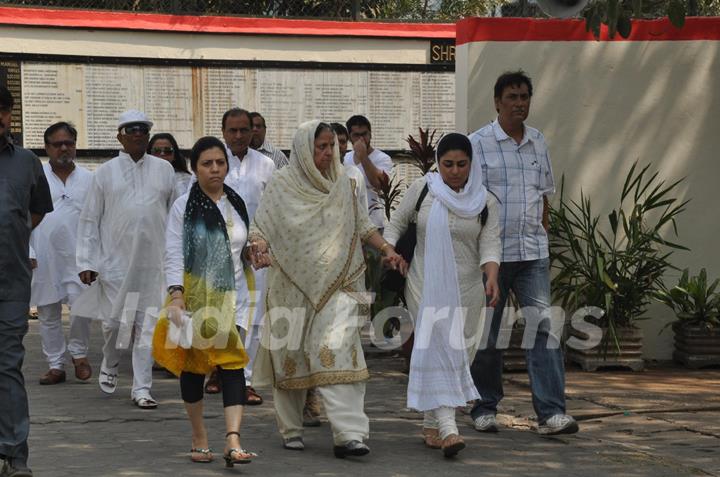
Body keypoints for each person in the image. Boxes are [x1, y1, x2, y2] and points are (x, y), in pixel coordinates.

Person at [248, 120, 406, 458]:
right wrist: (258, 245)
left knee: (335, 350)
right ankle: (291, 427)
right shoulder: (281, 184)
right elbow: (260, 226)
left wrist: (387, 250)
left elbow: (363, 224)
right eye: (320, 146)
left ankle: (349, 435)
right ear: (304, 148)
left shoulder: (347, 182)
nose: (326, 153)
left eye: (331, 146)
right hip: (291, 283)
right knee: (291, 353)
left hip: (341, 282)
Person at [468, 70, 578, 436]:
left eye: (524, 97)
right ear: (497, 102)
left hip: (533, 254)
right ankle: (483, 407)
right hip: (493, 257)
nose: (519, 103)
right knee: (489, 335)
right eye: (512, 97)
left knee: (544, 328)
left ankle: (551, 414)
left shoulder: (538, 142)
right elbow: (471, 203)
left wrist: (541, 235)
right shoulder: (478, 144)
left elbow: (544, 197)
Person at [384, 133, 501, 457]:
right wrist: (389, 250)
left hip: (467, 289)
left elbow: (490, 245)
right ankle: (450, 430)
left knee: (461, 352)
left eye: (461, 164)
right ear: (438, 162)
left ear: (471, 164)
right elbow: (396, 222)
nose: (454, 171)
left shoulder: (485, 201)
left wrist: (492, 276)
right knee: (439, 349)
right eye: (447, 164)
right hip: (425, 284)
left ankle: (431, 423)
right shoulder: (424, 189)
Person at [153, 136, 257, 466]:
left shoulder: (236, 202)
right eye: (207, 164)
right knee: (195, 368)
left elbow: (240, 247)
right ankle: (199, 436)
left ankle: (233, 439)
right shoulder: (183, 206)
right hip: (196, 299)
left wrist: (255, 252)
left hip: (235, 298)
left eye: (220, 163)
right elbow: (172, 251)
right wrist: (177, 296)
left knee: (233, 364)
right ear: (195, 167)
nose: (215, 169)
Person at [74, 110, 175, 409]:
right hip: (115, 262)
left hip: (152, 264)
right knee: (114, 325)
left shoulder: (164, 170)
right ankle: (110, 360)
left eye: (143, 130)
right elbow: (89, 220)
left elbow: (173, 217)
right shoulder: (104, 173)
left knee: (146, 325)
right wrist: (86, 262)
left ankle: (142, 389)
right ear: (119, 136)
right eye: (131, 130)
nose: (137, 135)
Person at [203, 108, 275, 405]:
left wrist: (265, 244)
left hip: (257, 252)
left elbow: (273, 209)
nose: (238, 136)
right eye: (232, 130)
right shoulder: (214, 162)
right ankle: (219, 370)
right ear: (223, 132)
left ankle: (246, 380)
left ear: (253, 131)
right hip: (221, 250)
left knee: (255, 318)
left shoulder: (267, 165)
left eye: (244, 130)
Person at [0, 85, 53, 477]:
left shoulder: (27, 162)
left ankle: (15, 453)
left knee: (7, 367)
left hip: (10, 285)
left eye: (1, 111)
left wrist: (12, 234)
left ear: (9, 115)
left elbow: (36, 211)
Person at [30, 122, 93, 385]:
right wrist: (28, 250)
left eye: (69, 143)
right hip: (44, 256)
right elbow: (23, 216)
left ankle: (79, 354)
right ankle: (55, 364)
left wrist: (95, 257)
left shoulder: (91, 179)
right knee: (47, 311)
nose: (64, 148)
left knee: (82, 308)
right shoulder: (35, 176)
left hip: (80, 258)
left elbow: (98, 220)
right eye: (57, 144)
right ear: (47, 148)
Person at [343, 115, 394, 232]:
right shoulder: (345, 158)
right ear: (349, 137)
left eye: (364, 134)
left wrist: (363, 156)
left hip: (374, 224)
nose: (361, 139)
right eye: (356, 135)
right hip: (349, 224)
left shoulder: (383, 158)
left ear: (370, 134)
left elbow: (378, 184)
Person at [148, 133, 192, 200]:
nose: (162, 154)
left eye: (167, 151)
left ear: (174, 155)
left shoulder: (187, 181)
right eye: (157, 151)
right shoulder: (140, 177)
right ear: (149, 154)